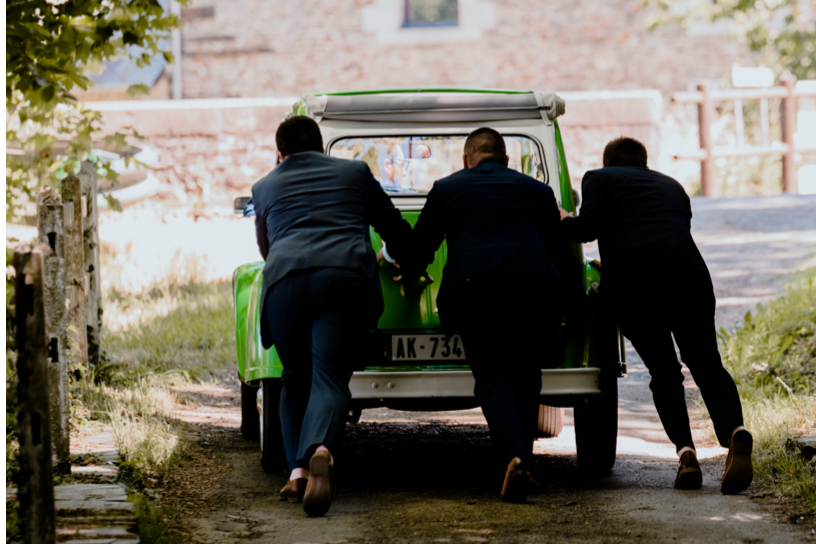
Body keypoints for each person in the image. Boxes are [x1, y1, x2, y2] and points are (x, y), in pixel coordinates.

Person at [396, 126, 580, 503]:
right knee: (527, 374)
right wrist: (568, 304)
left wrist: (410, 273)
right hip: (535, 286)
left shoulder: (447, 188)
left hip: (475, 288)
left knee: (494, 374)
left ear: (467, 159)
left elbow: (421, 249)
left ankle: (514, 459)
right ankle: (522, 460)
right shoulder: (538, 191)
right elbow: (561, 254)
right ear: (507, 159)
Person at [563, 136, 753, 494]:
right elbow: (658, 233)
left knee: (665, 374)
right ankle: (734, 433)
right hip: (689, 278)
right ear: (644, 163)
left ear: (607, 163)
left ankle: (686, 455)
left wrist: (561, 219)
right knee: (707, 364)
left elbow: (586, 229)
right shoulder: (673, 186)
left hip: (637, 287)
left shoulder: (598, 178)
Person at [247, 114, 415, 517]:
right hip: (344, 280)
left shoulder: (265, 186)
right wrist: (402, 261)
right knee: (329, 375)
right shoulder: (355, 172)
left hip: (285, 284)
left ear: (280, 153)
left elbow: (267, 248)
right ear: (322, 147)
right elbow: (397, 230)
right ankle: (322, 448)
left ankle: (298, 471)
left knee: (293, 378)